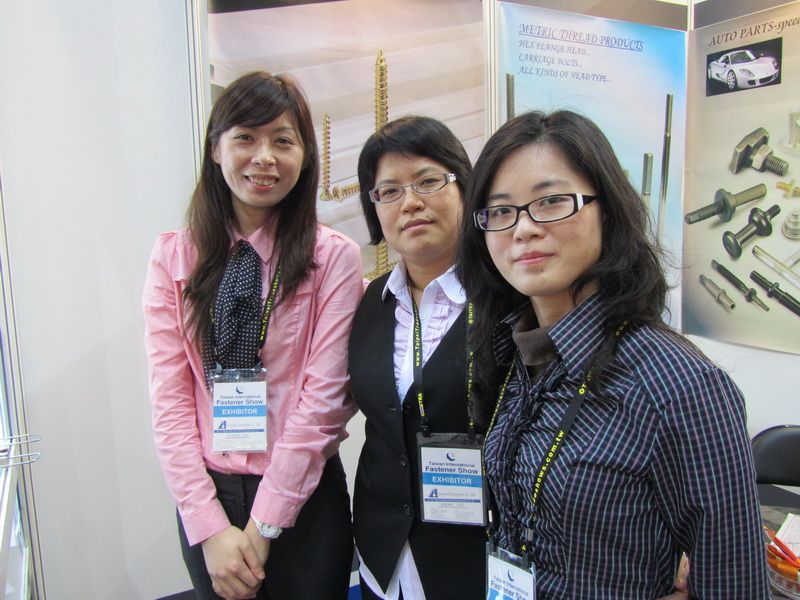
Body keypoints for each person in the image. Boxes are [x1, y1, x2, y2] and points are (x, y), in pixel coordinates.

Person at [458, 110, 769, 598]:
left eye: (551, 201)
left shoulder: (679, 385)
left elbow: (737, 586)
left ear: (608, 210)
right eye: (500, 211)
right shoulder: (516, 351)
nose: (523, 229)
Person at [142, 71, 362, 600]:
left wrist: (265, 524)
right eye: (245, 137)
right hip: (208, 500)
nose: (264, 157)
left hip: (304, 497)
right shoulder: (173, 256)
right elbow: (170, 402)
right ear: (215, 149)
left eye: (283, 141)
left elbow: (324, 401)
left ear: (305, 156)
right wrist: (208, 525)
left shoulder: (332, 258)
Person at [348, 115, 487, 599]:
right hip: (382, 555)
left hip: (474, 563)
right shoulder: (370, 301)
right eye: (389, 191)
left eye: (428, 181)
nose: (410, 202)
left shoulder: (507, 300)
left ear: (464, 187)